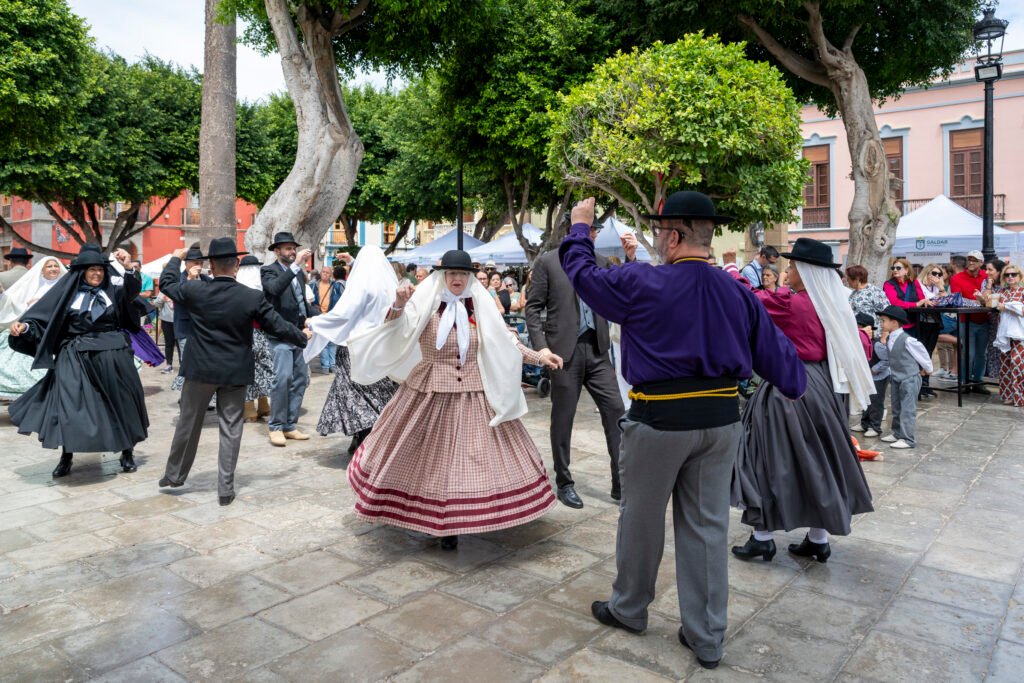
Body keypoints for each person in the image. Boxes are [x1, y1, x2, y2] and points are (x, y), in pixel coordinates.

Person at [559, 194, 804, 671]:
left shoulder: (642, 280)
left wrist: (580, 229)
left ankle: (629, 608)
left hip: (660, 420)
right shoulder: (738, 292)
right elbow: (785, 367)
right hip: (720, 422)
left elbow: (583, 277)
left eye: (659, 233)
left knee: (641, 520)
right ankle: (707, 635)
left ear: (672, 237)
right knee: (708, 528)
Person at [346, 249, 562, 550]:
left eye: (462, 274)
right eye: (451, 274)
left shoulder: (480, 307)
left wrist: (539, 356)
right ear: (442, 276)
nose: (457, 278)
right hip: (430, 389)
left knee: (469, 462)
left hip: (474, 391)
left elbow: (507, 340)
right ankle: (435, 521)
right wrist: (398, 304)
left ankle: (460, 519)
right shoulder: (426, 305)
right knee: (429, 461)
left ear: (470, 277)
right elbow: (395, 328)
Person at [732, 237, 874, 565]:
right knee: (820, 462)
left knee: (767, 458)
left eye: (794, 266)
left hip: (789, 387)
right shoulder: (835, 305)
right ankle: (818, 539)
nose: (788, 271)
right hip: (825, 387)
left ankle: (762, 538)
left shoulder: (793, 303)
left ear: (807, 271)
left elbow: (750, 302)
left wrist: (731, 276)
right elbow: (862, 348)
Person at [158, 239, 309, 505]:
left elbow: (168, 284)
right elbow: (277, 325)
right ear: (236, 265)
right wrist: (302, 336)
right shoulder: (250, 296)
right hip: (235, 371)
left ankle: (174, 476)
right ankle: (225, 489)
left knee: (188, 423)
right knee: (231, 429)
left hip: (200, 370)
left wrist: (175, 258)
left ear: (211, 265)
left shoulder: (196, 290)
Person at [8, 247, 148, 477]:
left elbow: (132, 291)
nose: (97, 274)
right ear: (81, 271)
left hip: (112, 352)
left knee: (121, 402)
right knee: (70, 406)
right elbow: (43, 319)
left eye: (100, 269)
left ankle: (127, 452)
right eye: (92, 269)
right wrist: (24, 327)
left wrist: (129, 267)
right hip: (74, 354)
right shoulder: (66, 294)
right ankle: (67, 456)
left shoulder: (113, 290)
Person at [526, 221, 629, 507]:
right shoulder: (548, 261)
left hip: (598, 350)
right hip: (562, 354)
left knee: (616, 412)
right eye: (588, 228)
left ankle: (621, 484)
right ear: (572, 232)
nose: (593, 234)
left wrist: (631, 258)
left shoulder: (601, 262)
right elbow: (533, 308)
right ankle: (564, 482)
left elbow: (625, 289)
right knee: (563, 418)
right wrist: (542, 348)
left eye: (594, 229)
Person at [307, 247, 400, 457]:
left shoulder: (362, 285)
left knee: (356, 396)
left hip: (357, 349)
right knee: (380, 396)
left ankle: (364, 439)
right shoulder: (390, 285)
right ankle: (373, 439)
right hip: (383, 349)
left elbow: (343, 314)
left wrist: (314, 322)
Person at [261, 231, 316, 446]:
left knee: (300, 379)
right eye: (287, 248)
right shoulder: (268, 271)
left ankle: (289, 425)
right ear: (277, 251)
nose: (292, 251)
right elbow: (274, 290)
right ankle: (275, 426)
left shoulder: (298, 274)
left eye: (293, 248)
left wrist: (311, 317)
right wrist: (295, 267)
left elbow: (300, 301)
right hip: (279, 336)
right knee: (282, 379)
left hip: (298, 335)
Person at [0, 257, 67, 400]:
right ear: (42, 270)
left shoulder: (66, 287)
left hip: (55, 335)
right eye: (49, 266)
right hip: (31, 334)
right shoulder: (34, 286)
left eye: (56, 266)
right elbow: (15, 305)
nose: (53, 269)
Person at [875, 305, 932, 449]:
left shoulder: (907, 340)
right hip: (896, 378)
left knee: (908, 409)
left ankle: (908, 439)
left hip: (909, 378)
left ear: (894, 323)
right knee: (896, 407)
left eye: (883, 321)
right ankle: (897, 433)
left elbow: (922, 353)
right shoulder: (889, 339)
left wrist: (928, 368)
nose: (881, 324)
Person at [236, 255, 275, 423]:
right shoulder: (261, 290)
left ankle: (249, 409)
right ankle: (264, 404)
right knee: (263, 370)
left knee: (247, 372)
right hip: (261, 335)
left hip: (245, 335)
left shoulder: (238, 290)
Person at [949, 250, 992, 393]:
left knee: (982, 353)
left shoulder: (986, 277)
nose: (971, 262)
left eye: (975, 260)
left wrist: (980, 301)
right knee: (968, 353)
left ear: (981, 263)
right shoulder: (957, 278)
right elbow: (958, 300)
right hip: (965, 321)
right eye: (969, 259)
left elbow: (990, 298)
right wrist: (979, 303)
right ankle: (964, 382)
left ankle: (978, 381)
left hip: (984, 320)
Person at [170, 245, 209, 391]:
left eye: (199, 262)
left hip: (204, 330)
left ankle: (204, 398)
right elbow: (179, 295)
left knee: (204, 365)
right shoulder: (179, 279)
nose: (197, 265)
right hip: (186, 329)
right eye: (193, 262)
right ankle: (186, 397)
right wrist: (190, 280)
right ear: (186, 263)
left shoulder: (206, 279)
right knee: (187, 364)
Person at [994, 264, 1024, 406]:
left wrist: (1006, 306)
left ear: (1019, 276)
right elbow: (991, 304)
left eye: (1013, 274)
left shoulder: (1023, 291)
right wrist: (982, 296)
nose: (1010, 277)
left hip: (1020, 333)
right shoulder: (1003, 293)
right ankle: (1008, 395)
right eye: (1007, 275)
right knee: (1005, 365)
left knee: (1017, 363)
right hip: (1005, 332)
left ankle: (1020, 396)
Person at [856, 312, 890, 437]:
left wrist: (873, 370)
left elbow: (887, 360)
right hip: (866, 377)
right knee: (865, 400)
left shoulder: (877, 345)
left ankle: (875, 426)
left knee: (876, 402)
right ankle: (864, 423)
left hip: (879, 377)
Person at [311, 265, 345, 374]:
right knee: (323, 342)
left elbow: (341, 301)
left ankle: (332, 364)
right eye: (323, 272)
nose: (325, 274)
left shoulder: (336, 286)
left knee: (332, 342)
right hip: (319, 316)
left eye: (327, 272)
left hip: (331, 317)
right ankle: (326, 366)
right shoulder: (313, 285)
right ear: (320, 273)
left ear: (330, 275)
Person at [846, 265, 889, 332]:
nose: (847, 280)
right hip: (857, 332)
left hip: (872, 333)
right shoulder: (854, 293)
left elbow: (887, 313)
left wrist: (885, 334)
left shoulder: (875, 292)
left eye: (848, 278)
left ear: (857, 279)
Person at [153, 289, 176, 374]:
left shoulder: (182, 287)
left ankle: (184, 366)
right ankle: (169, 365)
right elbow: (156, 303)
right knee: (168, 343)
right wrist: (162, 298)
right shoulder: (164, 291)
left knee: (182, 344)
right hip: (166, 320)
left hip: (180, 320)